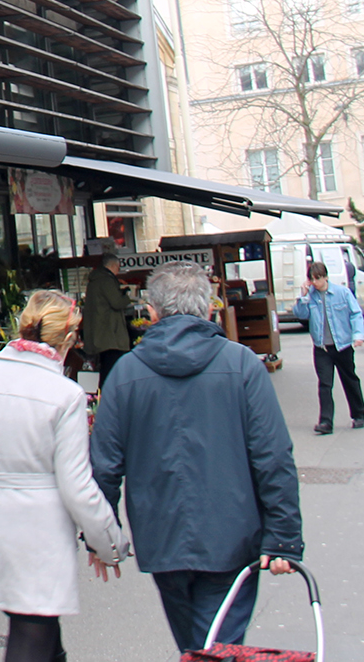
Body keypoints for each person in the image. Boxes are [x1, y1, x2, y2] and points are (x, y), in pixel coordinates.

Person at [90, 263, 302, 655]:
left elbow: (104, 465)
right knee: (217, 645)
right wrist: (284, 538)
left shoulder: (125, 373)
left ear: (151, 312)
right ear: (208, 310)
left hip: (161, 537)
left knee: (196, 645)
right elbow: (273, 457)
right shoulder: (241, 366)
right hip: (232, 536)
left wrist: (101, 537)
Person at [0, 290, 128, 662]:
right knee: (33, 630)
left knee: (41, 630)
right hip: (37, 536)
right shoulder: (65, 395)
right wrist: (109, 543)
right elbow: (77, 486)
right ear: (68, 339)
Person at [291, 264, 364, 433]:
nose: (315, 282)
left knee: (349, 380)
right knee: (325, 384)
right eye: (312, 279)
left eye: (318, 278)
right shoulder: (310, 297)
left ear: (326, 277)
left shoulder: (342, 292)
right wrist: (302, 296)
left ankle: (358, 414)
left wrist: (358, 335)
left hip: (342, 345)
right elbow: (301, 315)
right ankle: (325, 421)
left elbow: (355, 314)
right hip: (321, 347)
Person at [81, 253, 132, 387]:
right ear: (113, 266)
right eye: (118, 267)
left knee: (105, 366)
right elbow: (116, 303)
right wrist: (128, 296)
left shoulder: (95, 280)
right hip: (110, 334)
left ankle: (102, 395)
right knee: (112, 367)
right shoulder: (106, 280)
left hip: (100, 333)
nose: (118, 270)